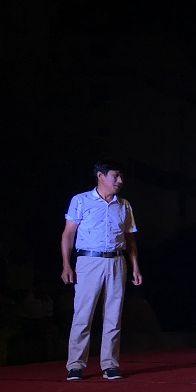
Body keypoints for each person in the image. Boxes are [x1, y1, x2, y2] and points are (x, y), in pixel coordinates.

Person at [61, 160, 142, 380]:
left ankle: (110, 364)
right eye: (115, 176)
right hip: (89, 260)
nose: (120, 181)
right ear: (100, 175)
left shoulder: (124, 204)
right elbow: (68, 234)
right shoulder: (81, 200)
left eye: (121, 176)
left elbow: (130, 238)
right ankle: (75, 365)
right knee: (83, 313)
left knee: (114, 314)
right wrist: (66, 264)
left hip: (116, 260)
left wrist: (135, 267)